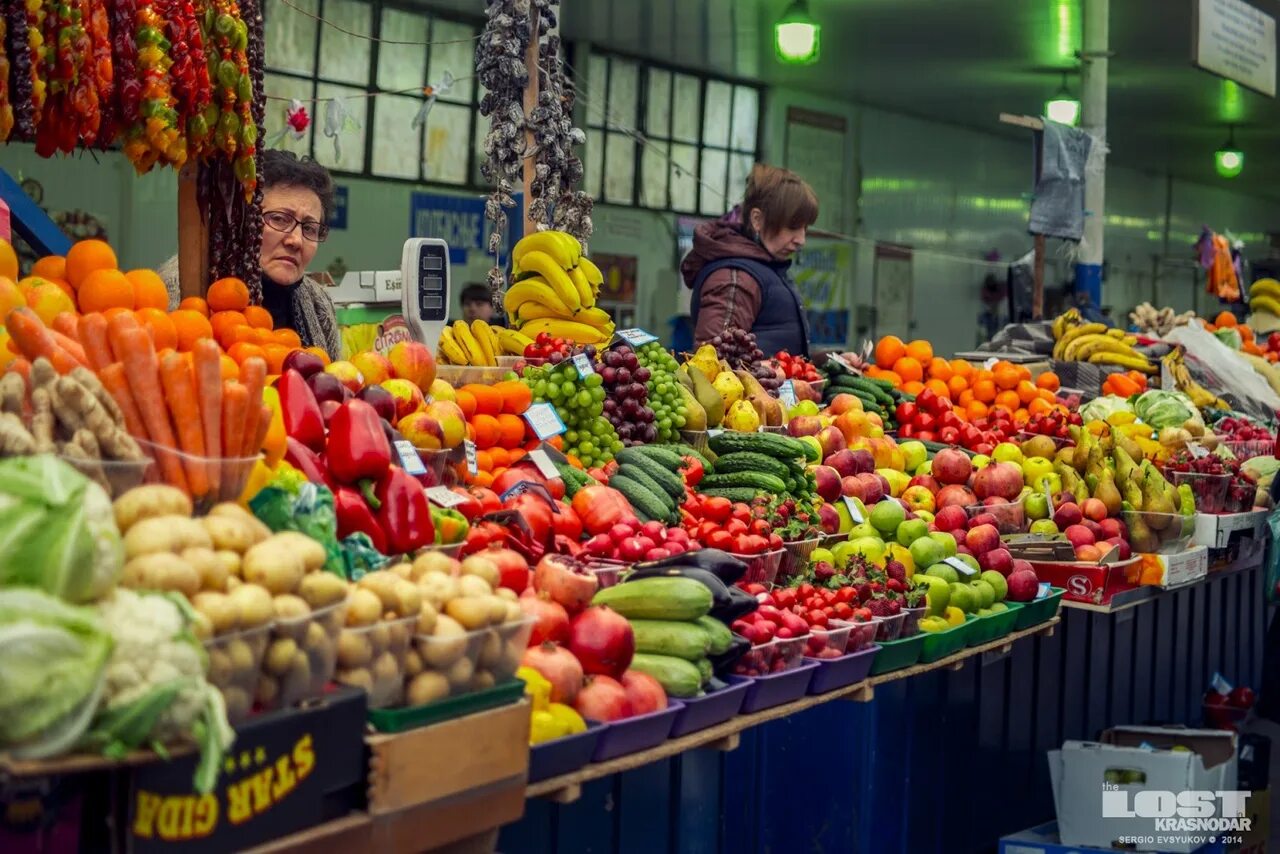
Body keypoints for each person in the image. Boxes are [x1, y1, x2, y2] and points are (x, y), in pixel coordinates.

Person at [159, 150, 342, 360]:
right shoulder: (181, 284)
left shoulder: (319, 304)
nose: (296, 240)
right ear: (244, 218)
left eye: (309, 228)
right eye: (280, 219)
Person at [680, 164, 819, 356]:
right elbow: (714, 363)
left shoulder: (762, 267)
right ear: (757, 219)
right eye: (793, 227)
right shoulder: (734, 277)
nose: (801, 240)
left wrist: (829, 361)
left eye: (805, 228)